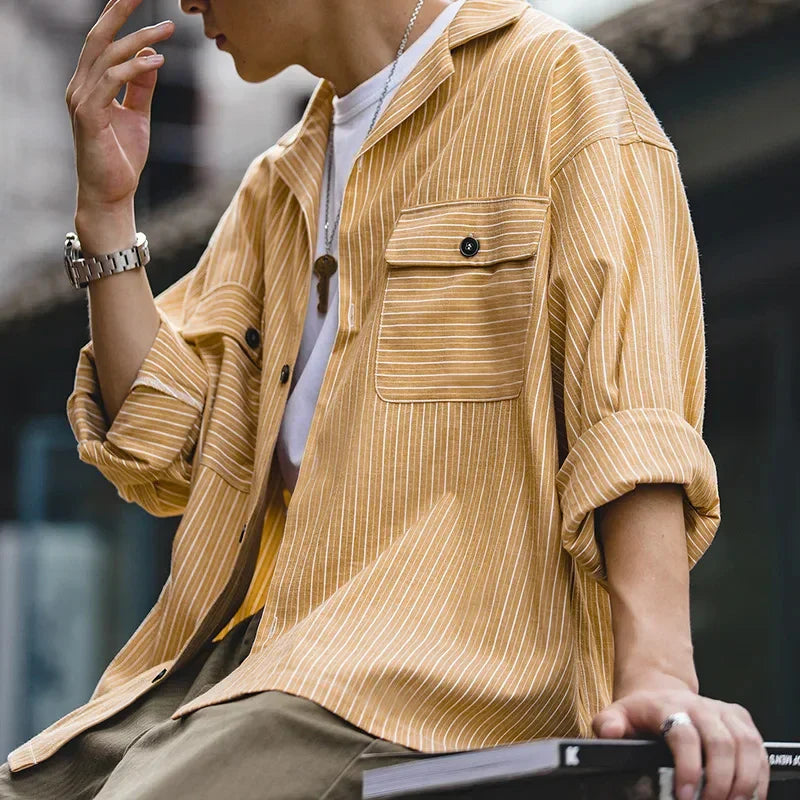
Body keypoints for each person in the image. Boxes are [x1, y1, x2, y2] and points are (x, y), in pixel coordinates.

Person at [0, 0, 769, 797]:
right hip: (253, 670)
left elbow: (632, 409)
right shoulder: (280, 181)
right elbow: (163, 447)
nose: (188, 3)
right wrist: (106, 214)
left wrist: (659, 675)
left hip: (451, 678)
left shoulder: (555, 87)